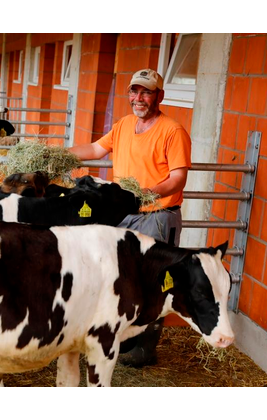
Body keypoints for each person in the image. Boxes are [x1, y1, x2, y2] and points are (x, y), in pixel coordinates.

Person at [68, 68, 192, 367]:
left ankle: (144, 349)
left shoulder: (172, 131)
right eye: (134, 91)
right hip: (125, 213)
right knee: (120, 275)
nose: (139, 98)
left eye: (146, 92)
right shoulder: (124, 125)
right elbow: (97, 149)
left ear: (159, 96)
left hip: (157, 215)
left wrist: (148, 193)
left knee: (153, 280)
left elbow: (177, 178)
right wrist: (60, 153)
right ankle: (124, 337)